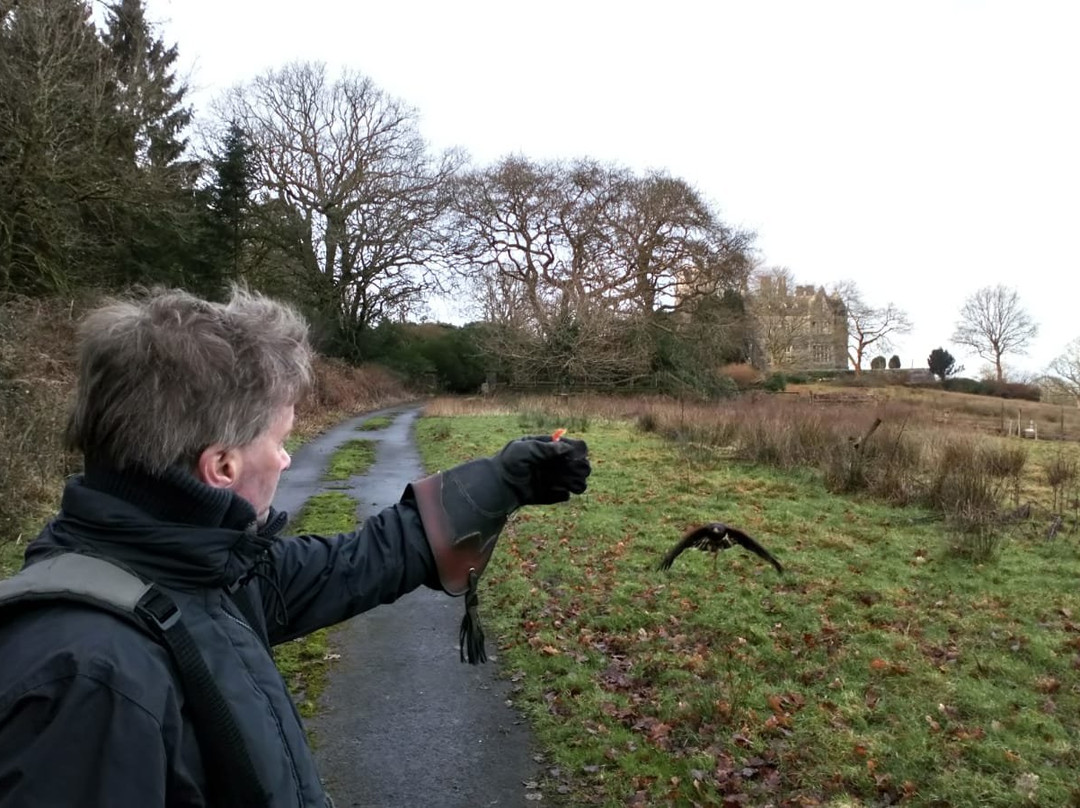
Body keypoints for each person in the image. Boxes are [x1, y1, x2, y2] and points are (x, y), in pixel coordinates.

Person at [0, 286, 590, 807]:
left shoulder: (192, 569)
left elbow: (354, 563)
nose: (287, 459)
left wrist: (501, 480)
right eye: (280, 441)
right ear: (222, 466)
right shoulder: (86, 684)